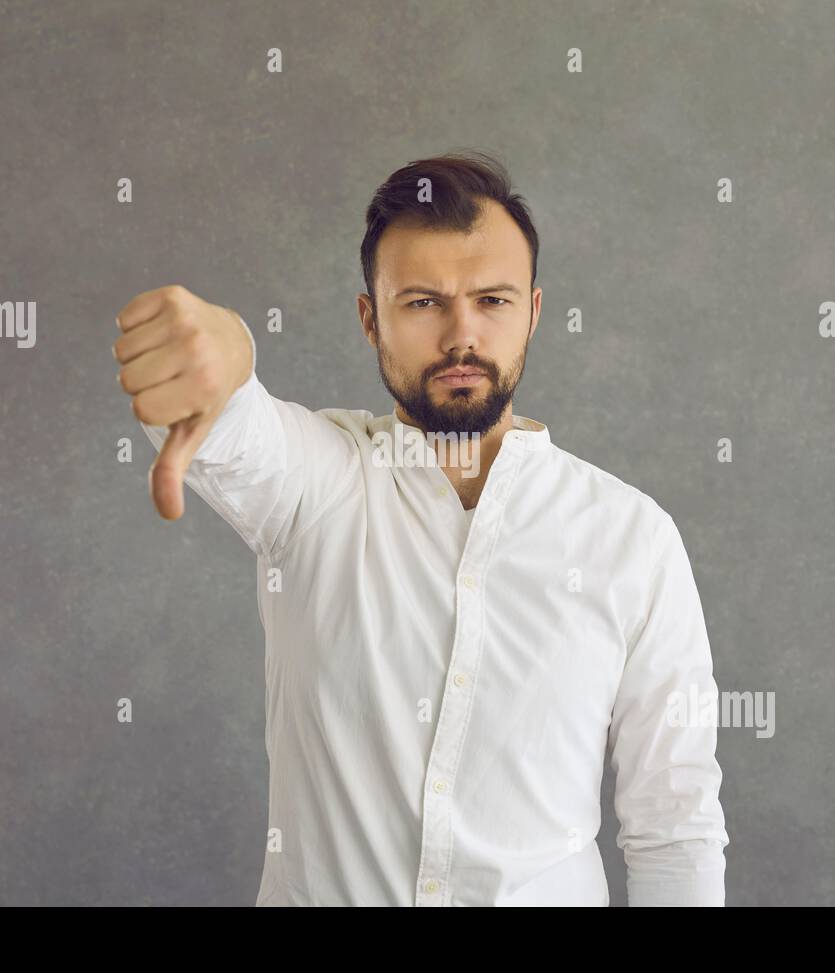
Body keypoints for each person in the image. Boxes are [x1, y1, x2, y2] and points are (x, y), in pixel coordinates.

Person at [112, 150, 730, 906]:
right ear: (370, 319)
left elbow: (676, 826)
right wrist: (228, 348)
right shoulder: (316, 484)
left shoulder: (632, 538)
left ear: (533, 312)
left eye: (492, 301)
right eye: (423, 303)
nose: (461, 336)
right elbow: (231, 428)